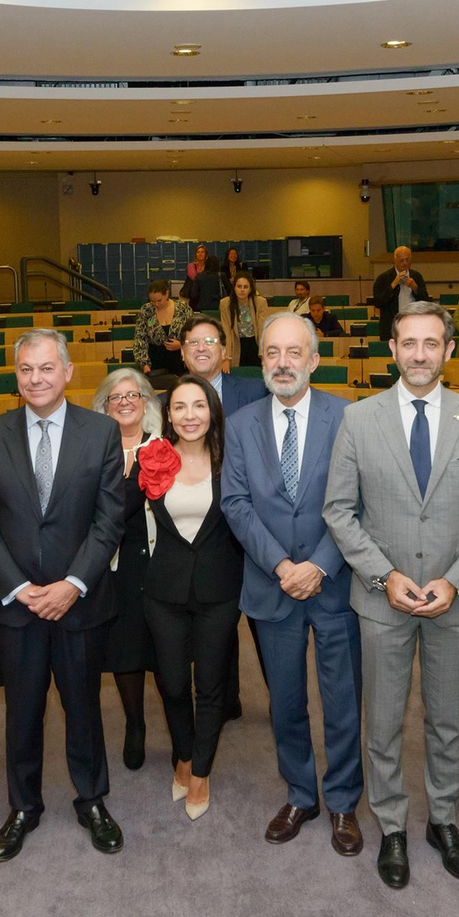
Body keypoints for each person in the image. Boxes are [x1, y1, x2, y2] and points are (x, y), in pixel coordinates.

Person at [323, 300, 459, 889]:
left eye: (432, 343)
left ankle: (443, 820)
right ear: (393, 349)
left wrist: (456, 581)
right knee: (381, 721)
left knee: (445, 720)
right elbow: (339, 510)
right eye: (409, 343)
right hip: (383, 600)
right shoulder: (360, 420)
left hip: (454, 601)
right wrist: (385, 576)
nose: (420, 354)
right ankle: (393, 826)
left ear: (449, 351)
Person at [0, 328, 126, 862]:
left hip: (79, 600)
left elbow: (109, 520)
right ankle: (22, 808)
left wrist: (73, 584)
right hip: (17, 605)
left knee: (83, 706)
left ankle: (92, 799)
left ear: (67, 372)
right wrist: (18, 588)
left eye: (46, 368)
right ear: (17, 377)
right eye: (26, 370)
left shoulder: (101, 432)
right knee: (22, 710)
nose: (36, 379)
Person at [220, 312, 364, 855]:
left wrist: (319, 564)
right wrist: (282, 566)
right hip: (270, 586)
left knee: (342, 699)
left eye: (293, 353)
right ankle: (301, 793)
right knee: (285, 701)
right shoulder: (240, 424)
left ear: (314, 360)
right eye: (273, 353)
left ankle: (344, 800)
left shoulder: (348, 417)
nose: (282, 363)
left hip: (334, 585)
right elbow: (235, 503)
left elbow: (357, 501)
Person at [138, 375, 244, 821]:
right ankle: (182, 752)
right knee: (174, 683)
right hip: (163, 591)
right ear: (168, 415)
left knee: (212, 686)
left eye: (198, 405)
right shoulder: (153, 459)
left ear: (212, 412)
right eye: (179, 407)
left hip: (219, 591)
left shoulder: (232, 461)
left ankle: (200, 769)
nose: (189, 415)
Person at [177, 313, 267, 722]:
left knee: (266, 624)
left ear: (224, 349)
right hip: (202, 529)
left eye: (210, 341)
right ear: (182, 351)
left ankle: (281, 700)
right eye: (193, 342)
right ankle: (225, 699)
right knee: (217, 620)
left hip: (256, 525)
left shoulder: (253, 391)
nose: (201, 348)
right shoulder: (170, 400)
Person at [91, 368, 162, 770]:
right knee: (125, 650)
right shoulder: (92, 451)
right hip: (114, 564)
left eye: (132, 395)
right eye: (114, 397)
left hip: (157, 560)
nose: (124, 403)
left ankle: (178, 730)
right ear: (103, 406)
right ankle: (136, 724)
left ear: (146, 403)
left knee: (165, 652)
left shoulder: (164, 447)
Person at [134, 278, 191, 386]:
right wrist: (144, 364)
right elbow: (140, 339)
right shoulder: (146, 311)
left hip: (180, 362)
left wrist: (182, 345)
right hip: (155, 364)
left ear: (167, 294)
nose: (156, 304)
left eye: (159, 300)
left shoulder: (183, 308)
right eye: (152, 301)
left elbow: (194, 334)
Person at [371, 246, 430, 342]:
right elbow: (378, 302)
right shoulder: (383, 278)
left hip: (414, 327)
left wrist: (415, 288)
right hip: (391, 329)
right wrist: (393, 285)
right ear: (395, 261)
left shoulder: (416, 276)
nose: (405, 263)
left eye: (407, 260)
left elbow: (426, 303)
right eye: (401, 260)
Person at [220, 271, 270, 368]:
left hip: (255, 344)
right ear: (234, 287)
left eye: (245, 287)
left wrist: (264, 354)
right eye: (239, 286)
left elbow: (262, 330)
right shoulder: (225, 304)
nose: (242, 290)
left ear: (250, 289)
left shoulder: (260, 302)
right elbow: (226, 331)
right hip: (236, 345)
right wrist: (226, 357)